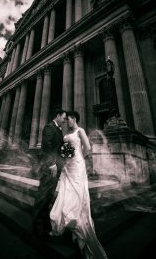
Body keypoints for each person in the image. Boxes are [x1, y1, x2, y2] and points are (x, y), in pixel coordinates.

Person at [50, 111, 108, 258]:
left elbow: (87, 148)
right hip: (67, 166)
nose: (66, 122)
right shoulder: (67, 132)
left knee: (76, 193)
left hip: (77, 165)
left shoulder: (80, 130)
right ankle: (69, 220)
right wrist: (66, 155)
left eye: (67, 119)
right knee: (65, 192)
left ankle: (76, 222)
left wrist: (77, 156)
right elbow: (65, 149)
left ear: (74, 119)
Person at [32, 109, 67, 240]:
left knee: (47, 197)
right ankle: (37, 228)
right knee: (42, 197)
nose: (64, 121)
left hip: (56, 168)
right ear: (57, 116)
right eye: (63, 118)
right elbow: (47, 146)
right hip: (49, 168)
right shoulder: (49, 127)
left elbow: (60, 148)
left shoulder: (58, 129)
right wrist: (52, 164)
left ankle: (45, 225)